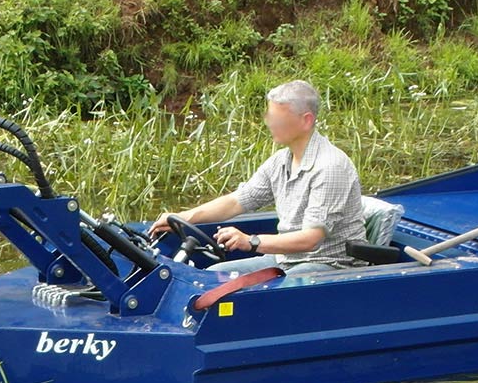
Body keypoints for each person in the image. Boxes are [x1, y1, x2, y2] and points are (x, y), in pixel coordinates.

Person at [150, 80, 363, 275]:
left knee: (262, 292)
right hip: (288, 260)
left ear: (306, 121)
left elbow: (310, 240)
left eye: (277, 118)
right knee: (215, 275)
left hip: (330, 267)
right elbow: (237, 201)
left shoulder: (330, 166)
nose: (269, 123)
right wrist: (183, 217)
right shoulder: (281, 161)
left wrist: (251, 241)